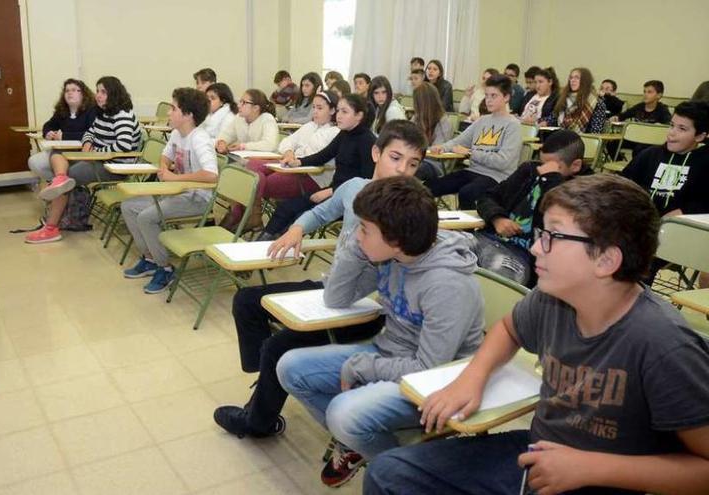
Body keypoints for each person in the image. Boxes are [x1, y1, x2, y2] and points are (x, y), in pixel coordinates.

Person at [364, 174, 709, 495]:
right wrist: (473, 376)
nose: (534, 248)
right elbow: (508, 328)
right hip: (539, 451)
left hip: (605, 477)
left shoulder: (664, 345)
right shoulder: (550, 299)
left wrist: (591, 467)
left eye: (552, 237)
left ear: (605, 260)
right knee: (386, 473)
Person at [213, 120, 426, 443]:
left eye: (412, 164)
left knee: (277, 346)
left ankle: (259, 420)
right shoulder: (354, 187)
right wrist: (297, 229)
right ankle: (268, 385)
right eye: (395, 158)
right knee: (246, 302)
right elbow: (322, 212)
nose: (402, 170)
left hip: (365, 309)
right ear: (376, 153)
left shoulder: (406, 209)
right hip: (333, 290)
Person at [277, 176, 484, 487]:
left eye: (364, 230)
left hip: (437, 382)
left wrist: (363, 366)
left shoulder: (447, 284)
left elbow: (429, 369)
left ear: (395, 239)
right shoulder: (394, 256)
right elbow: (336, 297)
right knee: (289, 367)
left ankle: (409, 472)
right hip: (389, 354)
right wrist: (355, 248)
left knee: (344, 414)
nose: (357, 235)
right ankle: (363, 445)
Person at [120, 88, 218, 294]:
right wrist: (165, 167)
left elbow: (211, 175)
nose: (168, 113)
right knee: (128, 207)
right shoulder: (176, 133)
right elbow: (165, 156)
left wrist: (175, 177)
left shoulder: (199, 138)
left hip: (197, 198)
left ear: (188, 115)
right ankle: (150, 259)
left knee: (147, 217)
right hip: (176, 192)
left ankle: (165, 268)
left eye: (173, 108)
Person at [26, 76, 141, 244]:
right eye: (98, 91)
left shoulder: (122, 115)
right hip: (99, 160)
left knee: (70, 175)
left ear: (114, 94)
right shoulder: (104, 113)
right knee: (60, 156)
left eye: (103, 92)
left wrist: (97, 151)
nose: (98, 95)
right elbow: (90, 132)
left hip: (115, 167)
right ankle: (58, 185)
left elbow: (123, 145)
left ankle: (51, 227)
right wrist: (88, 143)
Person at [474, 129, 591, 287]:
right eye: (542, 163)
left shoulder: (581, 190)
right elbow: (487, 197)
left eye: (552, 166)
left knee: (497, 282)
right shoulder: (529, 170)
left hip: (520, 256)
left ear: (575, 166)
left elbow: (556, 221)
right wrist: (497, 218)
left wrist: (550, 180)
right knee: (440, 248)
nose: (542, 169)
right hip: (487, 238)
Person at [256, 94, 376, 240]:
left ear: (359, 116)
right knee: (285, 207)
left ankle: (273, 245)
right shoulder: (345, 134)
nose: (338, 116)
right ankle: (263, 245)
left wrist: (331, 192)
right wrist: (299, 162)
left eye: (344, 112)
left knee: (299, 216)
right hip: (333, 192)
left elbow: (365, 181)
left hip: (347, 200)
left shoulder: (367, 141)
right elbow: (323, 156)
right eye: (338, 111)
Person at [622, 100, 709, 286]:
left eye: (682, 129)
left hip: (675, 233)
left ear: (700, 136)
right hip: (639, 226)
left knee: (638, 258)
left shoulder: (705, 163)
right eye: (671, 125)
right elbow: (622, 185)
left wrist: (684, 211)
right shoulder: (650, 155)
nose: (671, 133)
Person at [227, 90, 340, 231]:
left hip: (309, 176)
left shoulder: (335, 132)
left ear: (333, 110)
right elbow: (286, 142)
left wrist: (295, 158)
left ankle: (239, 216)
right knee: (251, 165)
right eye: (314, 107)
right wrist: (289, 152)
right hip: (290, 165)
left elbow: (319, 157)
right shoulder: (310, 126)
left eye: (320, 108)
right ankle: (251, 217)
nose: (315, 112)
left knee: (259, 181)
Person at [426, 74, 522, 209]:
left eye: (493, 96)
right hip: (473, 171)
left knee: (467, 193)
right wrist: (442, 147)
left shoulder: (513, 125)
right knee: (429, 187)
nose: (488, 100)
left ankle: (469, 229)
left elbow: (503, 161)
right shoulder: (483, 120)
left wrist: (471, 153)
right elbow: (459, 141)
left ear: (506, 97)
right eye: (486, 95)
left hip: (498, 177)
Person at [27, 79, 97, 183]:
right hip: (61, 151)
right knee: (34, 162)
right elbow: (48, 125)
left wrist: (64, 136)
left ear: (83, 94)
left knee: (73, 169)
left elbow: (92, 134)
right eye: (67, 90)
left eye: (74, 90)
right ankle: (59, 182)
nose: (69, 93)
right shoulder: (62, 111)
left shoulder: (92, 110)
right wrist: (48, 133)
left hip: (82, 152)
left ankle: (65, 184)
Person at [410, 83, 453, 181]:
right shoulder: (416, 118)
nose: (414, 105)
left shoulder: (444, 121)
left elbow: (436, 151)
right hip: (416, 158)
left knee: (413, 169)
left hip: (435, 164)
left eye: (416, 102)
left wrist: (415, 150)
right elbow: (408, 139)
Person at [215, 88, 278, 154]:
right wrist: (222, 142)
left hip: (265, 160)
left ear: (255, 108)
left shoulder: (267, 119)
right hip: (244, 159)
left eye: (244, 102)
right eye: (240, 101)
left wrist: (244, 146)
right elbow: (227, 134)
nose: (239, 105)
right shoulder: (239, 118)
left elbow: (270, 144)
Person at [553, 67, 607, 134]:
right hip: (560, 136)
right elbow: (554, 119)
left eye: (577, 78)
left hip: (584, 140)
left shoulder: (597, 103)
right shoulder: (563, 99)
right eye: (571, 78)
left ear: (585, 81)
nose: (573, 80)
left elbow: (595, 131)